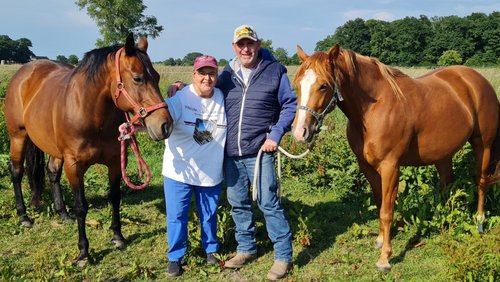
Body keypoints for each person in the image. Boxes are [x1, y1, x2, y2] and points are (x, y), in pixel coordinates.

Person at [217, 24, 297, 280]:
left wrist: (274, 136)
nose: (246, 48)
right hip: (231, 153)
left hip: (260, 151)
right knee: (238, 203)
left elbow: (290, 105)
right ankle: (246, 248)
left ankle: (283, 256)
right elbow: (208, 97)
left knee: (268, 203)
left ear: (258, 44)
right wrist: (179, 89)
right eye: (241, 44)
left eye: (250, 43)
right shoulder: (226, 75)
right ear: (234, 48)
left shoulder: (274, 71)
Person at [162, 55, 226, 277]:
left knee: (209, 214)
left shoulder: (222, 96)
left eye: (211, 73)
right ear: (194, 75)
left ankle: (211, 249)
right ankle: (175, 256)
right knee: (177, 215)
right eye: (202, 73)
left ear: (217, 76)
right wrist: (131, 126)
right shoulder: (180, 98)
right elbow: (158, 116)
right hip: (179, 169)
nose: (207, 78)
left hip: (210, 170)